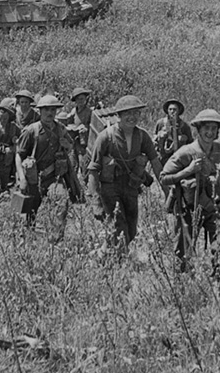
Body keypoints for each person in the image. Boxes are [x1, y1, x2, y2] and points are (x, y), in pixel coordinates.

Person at [88, 95, 163, 253]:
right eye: (127, 113)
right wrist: (95, 202)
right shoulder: (106, 137)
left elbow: (156, 163)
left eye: (136, 113)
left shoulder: (142, 136)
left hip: (131, 187)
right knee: (118, 227)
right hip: (110, 187)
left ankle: (103, 254)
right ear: (118, 116)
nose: (132, 117)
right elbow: (93, 170)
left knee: (131, 230)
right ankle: (119, 266)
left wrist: (168, 190)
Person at [160, 109, 220, 273]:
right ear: (198, 130)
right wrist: (188, 171)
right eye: (206, 128)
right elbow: (164, 177)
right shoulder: (186, 152)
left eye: (214, 129)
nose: (210, 132)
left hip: (214, 207)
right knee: (183, 252)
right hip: (190, 209)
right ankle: (180, 286)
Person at [16, 95, 74, 238]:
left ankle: (56, 239)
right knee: (29, 212)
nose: (50, 113)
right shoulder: (31, 131)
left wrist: (67, 145)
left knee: (62, 202)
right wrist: (22, 178)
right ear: (40, 111)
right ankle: (27, 239)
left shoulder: (61, 129)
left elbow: (70, 146)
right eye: (46, 110)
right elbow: (18, 155)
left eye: (53, 110)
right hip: (33, 179)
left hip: (53, 177)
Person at [65, 87, 93, 196]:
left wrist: (86, 128)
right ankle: (74, 188)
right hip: (74, 141)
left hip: (84, 142)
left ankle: (86, 187)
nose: (80, 101)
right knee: (72, 164)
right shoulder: (74, 111)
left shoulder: (89, 112)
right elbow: (69, 122)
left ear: (86, 99)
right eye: (78, 99)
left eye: (82, 99)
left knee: (84, 164)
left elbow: (94, 127)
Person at [154, 98, 193, 165]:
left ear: (178, 111)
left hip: (179, 155)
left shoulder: (184, 126)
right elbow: (154, 138)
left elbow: (190, 143)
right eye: (170, 109)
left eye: (174, 109)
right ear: (167, 110)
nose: (172, 111)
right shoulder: (161, 123)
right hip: (163, 154)